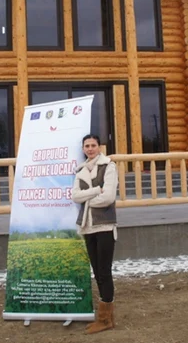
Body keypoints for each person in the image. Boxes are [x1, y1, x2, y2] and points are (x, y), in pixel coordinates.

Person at [72, 134, 117, 334]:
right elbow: (74, 196)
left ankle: (106, 319)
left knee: (105, 272)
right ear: (83, 149)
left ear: (99, 147)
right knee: (97, 272)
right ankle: (106, 317)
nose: (90, 148)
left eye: (93, 145)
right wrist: (95, 190)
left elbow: (108, 197)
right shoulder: (80, 170)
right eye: (87, 146)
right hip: (88, 226)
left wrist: (87, 198)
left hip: (105, 226)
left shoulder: (109, 166)